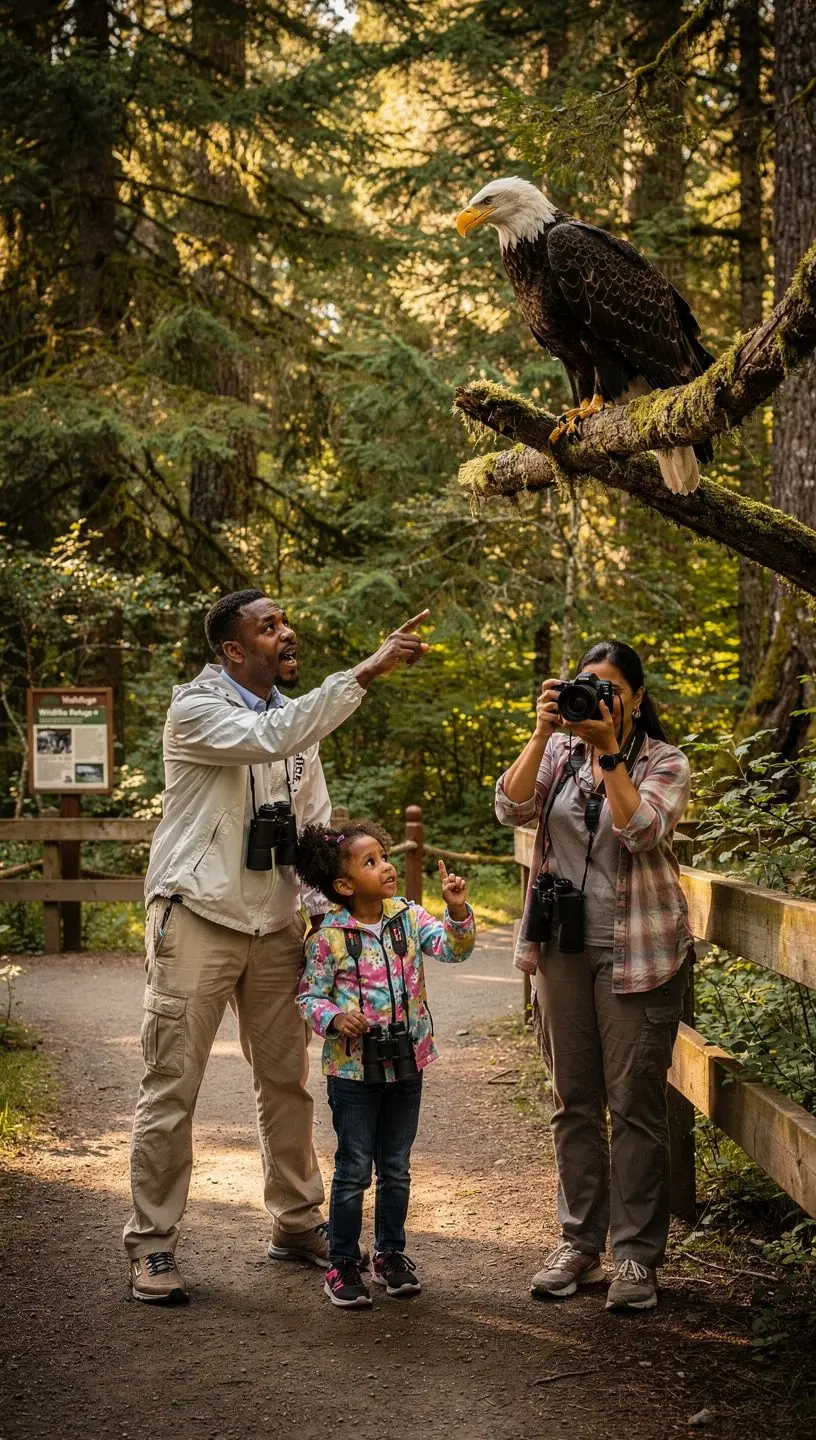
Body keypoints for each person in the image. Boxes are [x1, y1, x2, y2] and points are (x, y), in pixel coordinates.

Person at [124, 589, 431, 1304]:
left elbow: (315, 832)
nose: (286, 633)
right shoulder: (196, 710)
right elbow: (272, 736)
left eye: (284, 621)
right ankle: (154, 1245)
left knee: (287, 1083)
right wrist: (365, 670)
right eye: (268, 628)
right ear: (233, 651)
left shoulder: (297, 727)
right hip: (196, 917)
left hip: (276, 927)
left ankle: (295, 1222)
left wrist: (337, 922)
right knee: (172, 1083)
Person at [495, 640, 693, 1313]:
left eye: (610, 688)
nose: (598, 699)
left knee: (633, 1103)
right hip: (561, 947)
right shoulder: (557, 751)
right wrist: (544, 729)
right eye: (586, 685)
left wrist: (609, 752)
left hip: (639, 948)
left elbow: (641, 830)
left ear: (637, 696)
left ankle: (636, 1257)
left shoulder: (664, 761)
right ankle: (579, 1243)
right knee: (572, 1098)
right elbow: (511, 809)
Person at [295, 823, 475, 1308]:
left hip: (407, 1063)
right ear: (345, 885)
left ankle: (390, 1255)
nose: (387, 866)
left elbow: (454, 950)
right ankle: (342, 1262)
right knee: (354, 1167)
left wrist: (456, 909)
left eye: (384, 856)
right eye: (370, 861)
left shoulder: (410, 919)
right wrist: (335, 1018)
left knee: (396, 1167)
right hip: (353, 1073)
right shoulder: (328, 937)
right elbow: (308, 997)